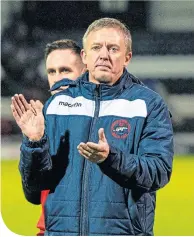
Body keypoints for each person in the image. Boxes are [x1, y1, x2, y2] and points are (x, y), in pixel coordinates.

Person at [12, 18, 174, 236]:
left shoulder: (148, 105)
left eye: (113, 48)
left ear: (127, 58)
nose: (104, 55)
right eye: (96, 47)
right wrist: (35, 143)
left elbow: (159, 172)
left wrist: (111, 159)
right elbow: (34, 190)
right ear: (85, 57)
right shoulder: (57, 106)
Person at [11, 39, 86, 236]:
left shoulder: (106, 118)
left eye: (65, 70)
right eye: (51, 72)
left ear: (85, 72)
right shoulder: (42, 122)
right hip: (52, 230)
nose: (57, 78)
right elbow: (33, 194)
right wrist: (34, 141)